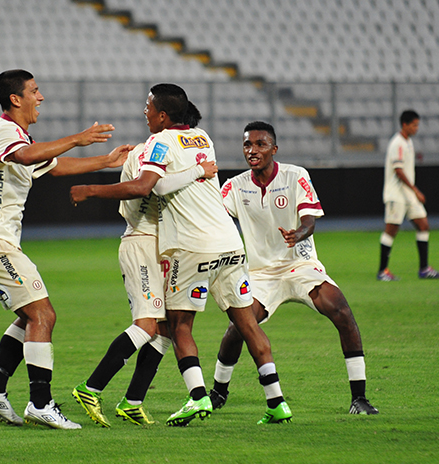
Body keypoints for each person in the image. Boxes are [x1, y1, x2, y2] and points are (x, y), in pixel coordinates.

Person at [70, 84, 292, 426]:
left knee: (177, 324)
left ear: (162, 114)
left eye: (148, 107)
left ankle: (197, 397)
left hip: (192, 246)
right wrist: (197, 172)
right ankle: (277, 402)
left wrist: (89, 189)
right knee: (246, 323)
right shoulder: (202, 137)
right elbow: (181, 179)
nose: (144, 112)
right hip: (231, 244)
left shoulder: (158, 144)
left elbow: (149, 186)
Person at [0, 69, 132, 430]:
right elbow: (26, 158)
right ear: (15, 99)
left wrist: (106, 161)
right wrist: (78, 138)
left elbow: (51, 166)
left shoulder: (20, 137)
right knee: (44, 316)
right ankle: (40, 402)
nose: (41, 98)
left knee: (29, 317)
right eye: (35, 91)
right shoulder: (5, 132)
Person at [209, 121, 378, 416]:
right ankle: (217, 393)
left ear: (274, 149)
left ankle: (359, 398)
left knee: (342, 311)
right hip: (261, 273)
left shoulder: (295, 175)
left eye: (260, 144)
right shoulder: (234, 186)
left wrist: (298, 234)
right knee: (238, 329)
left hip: (300, 265)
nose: (253, 150)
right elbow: (215, 219)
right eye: (248, 144)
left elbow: (309, 219)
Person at [71, 104, 218, 428]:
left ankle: (133, 400)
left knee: (164, 327)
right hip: (141, 242)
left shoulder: (170, 150)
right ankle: (90, 387)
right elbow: (146, 188)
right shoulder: (147, 153)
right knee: (148, 324)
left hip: (163, 247)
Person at [378, 109, 439, 281]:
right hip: (396, 194)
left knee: (423, 225)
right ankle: (382, 271)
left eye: (417, 125)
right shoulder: (397, 143)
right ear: (405, 124)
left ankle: (424, 269)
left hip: (408, 195)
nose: (416, 128)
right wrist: (415, 189)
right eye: (414, 125)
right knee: (391, 231)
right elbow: (398, 170)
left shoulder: (408, 142)